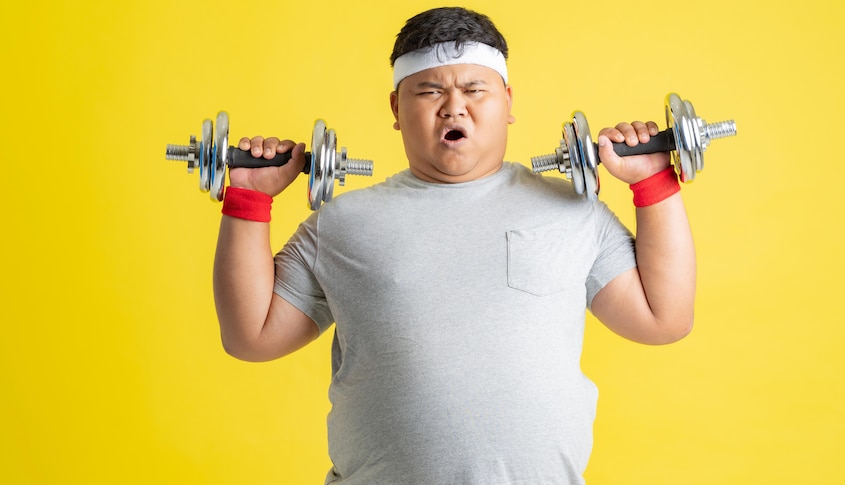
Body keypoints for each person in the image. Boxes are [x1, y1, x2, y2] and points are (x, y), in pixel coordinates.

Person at [212, 6, 695, 484]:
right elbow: (251, 337)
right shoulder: (342, 224)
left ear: (507, 102)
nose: (453, 106)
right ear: (397, 109)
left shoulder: (572, 212)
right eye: (429, 90)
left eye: (474, 89)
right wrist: (248, 199)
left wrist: (654, 183)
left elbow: (663, 319)